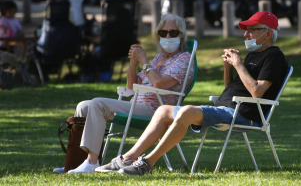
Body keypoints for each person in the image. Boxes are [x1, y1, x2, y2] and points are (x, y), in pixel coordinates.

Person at [96, 11, 289, 176]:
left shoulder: (274, 56)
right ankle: (127, 158)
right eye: (246, 30)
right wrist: (228, 67)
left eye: (252, 30)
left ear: (267, 33)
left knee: (186, 111)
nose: (246, 34)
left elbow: (256, 92)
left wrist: (238, 64)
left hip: (243, 115)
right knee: (163, 110)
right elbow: (231, 87)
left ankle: (147, 163)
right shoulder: (253, 55)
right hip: (225, 108)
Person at [53, 13, 195, 173]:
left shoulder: (184, 58)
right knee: (83, 106)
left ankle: (92, 163)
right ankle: (75, 163)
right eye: (163, 33)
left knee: (97, 104)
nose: (167, 36)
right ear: (158, 36)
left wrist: (144, 61)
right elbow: (130, 87)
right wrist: (134, 62)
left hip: (156, 110)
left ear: (181, 37)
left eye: (173, 33)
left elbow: (160, 82)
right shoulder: (158, 58)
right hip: (136, 103)